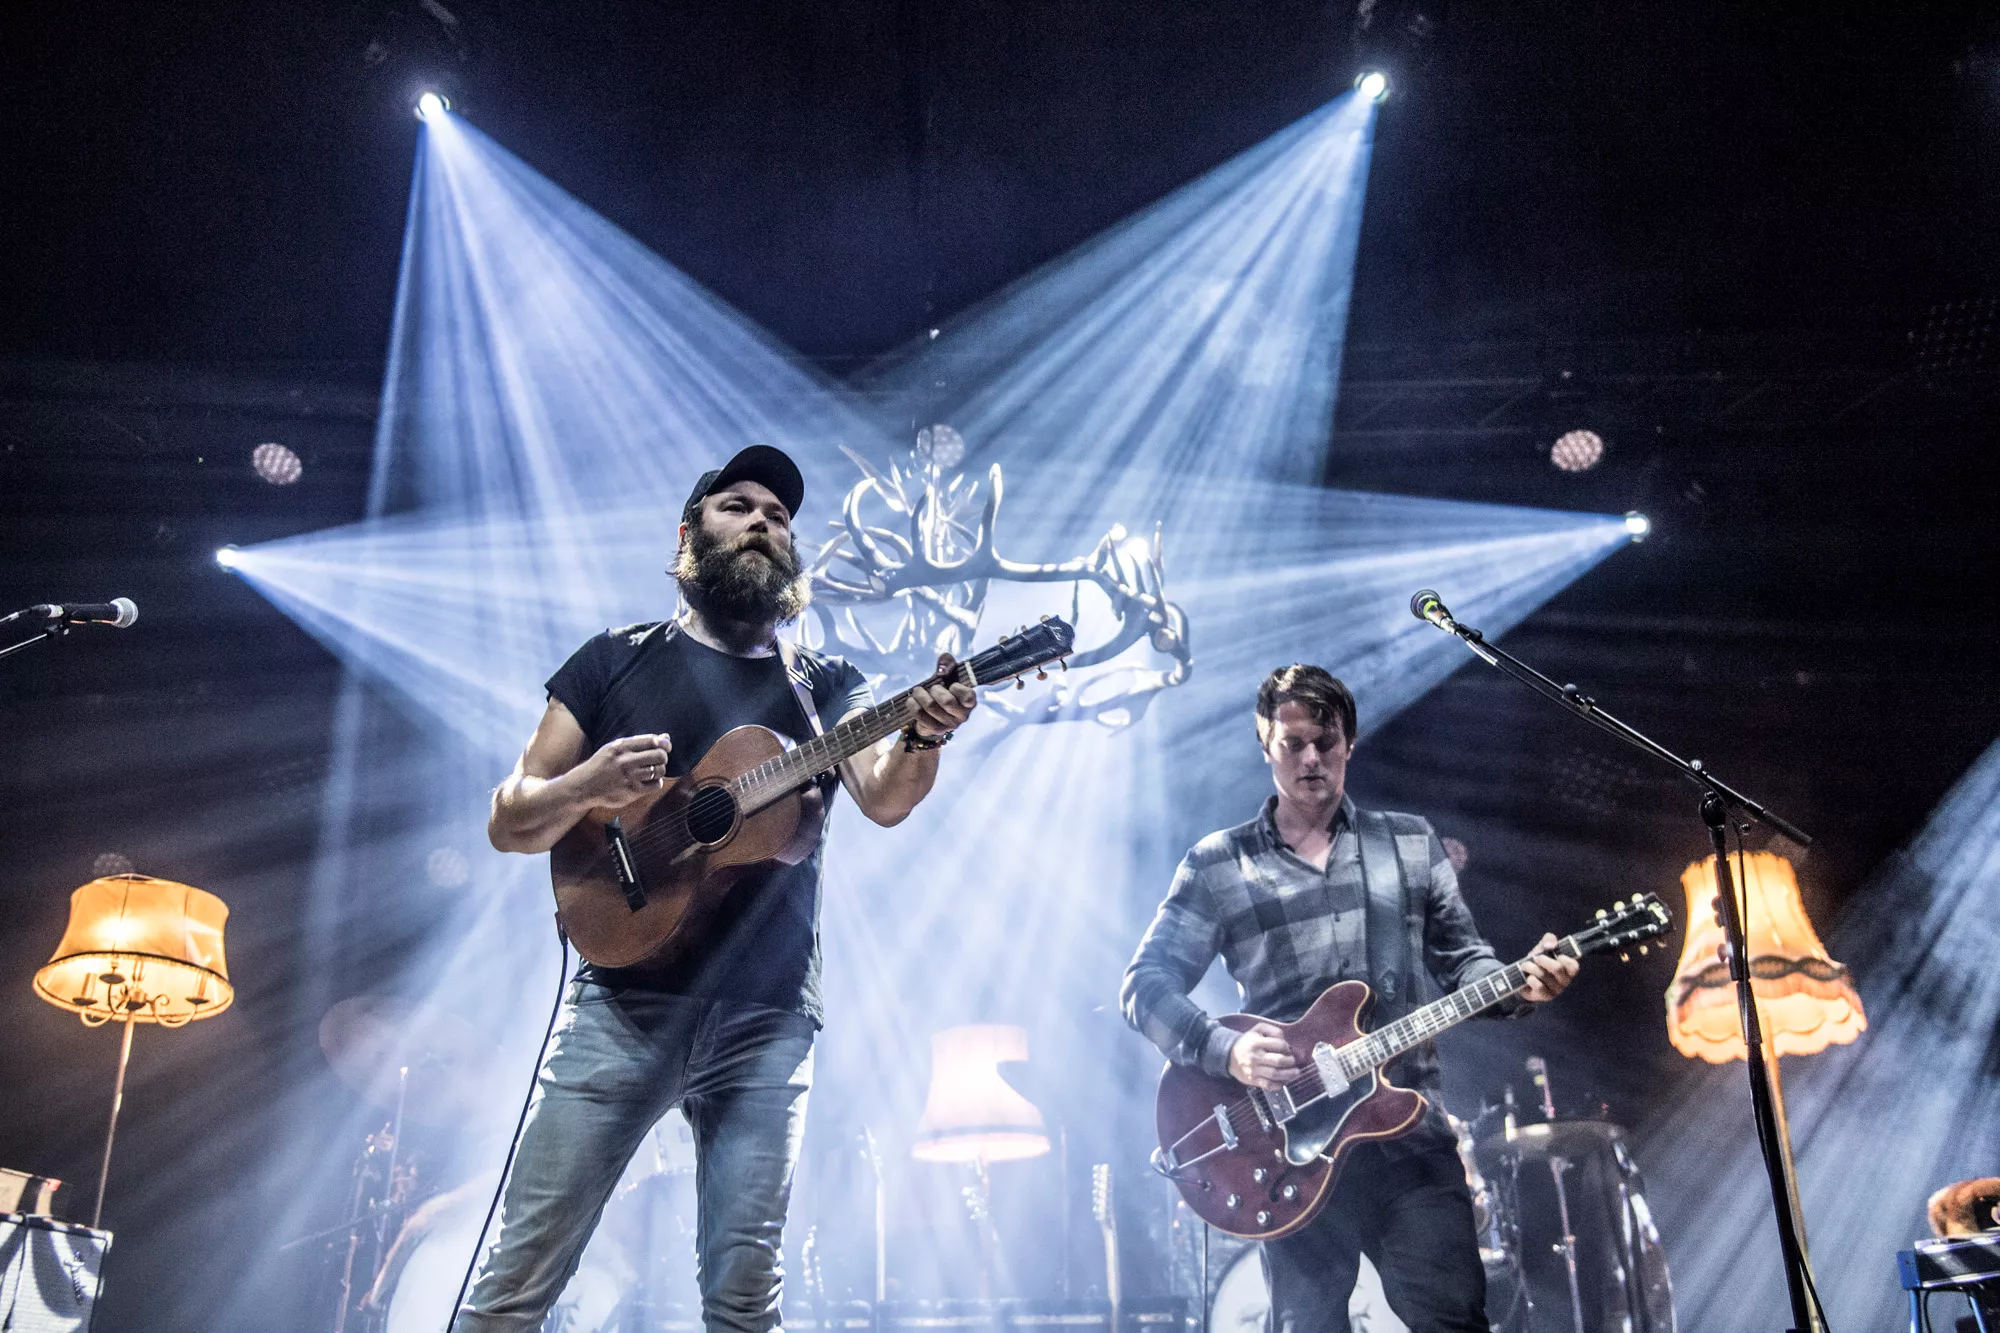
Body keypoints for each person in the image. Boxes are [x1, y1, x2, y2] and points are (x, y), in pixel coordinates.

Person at [465, 445, 977, 1332]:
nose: (763, 523)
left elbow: (886, 795)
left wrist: (924, 734)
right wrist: (585, 786)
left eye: (779, 517)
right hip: (623, 1002)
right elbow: (510, 819)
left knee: (744, 1305)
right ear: (689, 534)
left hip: (767, 1014)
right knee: (517, 1281)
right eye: (739, 505)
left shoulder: (824, 687)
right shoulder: (610, 662)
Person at [1120, 664, 1579, 1333]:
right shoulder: (1218, 864)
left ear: (1349, 744)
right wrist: (1229, 1049)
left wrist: (1523, 983)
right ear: (1264, 744)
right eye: (1293, 742)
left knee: (1453, 1319)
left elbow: (1464, 958)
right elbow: (1145, 984)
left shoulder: (1410, 844)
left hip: (1408, 1137)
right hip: (1288, 1149)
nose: (1311, 757)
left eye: (1326, 741)